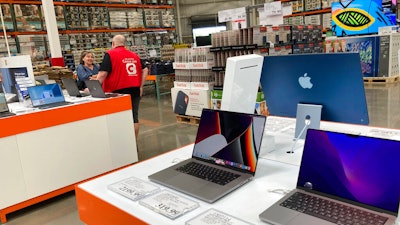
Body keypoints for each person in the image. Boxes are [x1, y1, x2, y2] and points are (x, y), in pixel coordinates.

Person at [95, 34, 148, 140]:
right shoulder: (134, 55)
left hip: (117, 91)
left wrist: (93, 88)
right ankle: (134, 144)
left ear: (113, 44)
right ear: (124, 44)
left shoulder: (110, 54)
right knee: (134, 118)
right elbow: (145, 69)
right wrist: (141, 86)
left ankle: (122, 143)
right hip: (134, 90)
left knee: (117, 119)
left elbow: (102, 74)